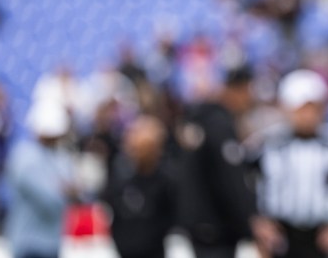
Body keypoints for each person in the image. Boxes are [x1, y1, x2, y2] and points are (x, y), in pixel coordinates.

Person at [248, 69, 328, 258]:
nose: (307, 114)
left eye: (313, 107)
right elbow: (239, 185)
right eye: (301, 107)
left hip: (325, 240)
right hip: (279, 238)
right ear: (287, 107)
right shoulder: (266, 144)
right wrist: (257, 222)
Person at [176, 65, 261, 258]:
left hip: (199, 222)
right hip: (216, 226)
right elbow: (231, 181)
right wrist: (250, 220)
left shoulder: (201, 120)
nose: (249, 99)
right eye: (247, 91)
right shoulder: (220, 125)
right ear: (236, 90)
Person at [4, 98, 77, 258]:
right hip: (27, 243)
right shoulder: (24, 157)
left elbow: (74, 190)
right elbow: (50, 199)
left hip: (52, 242)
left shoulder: (61, 157)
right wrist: (64, 191)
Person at [101, 115, 177, 258]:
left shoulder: (166, 177)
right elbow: (109, 202)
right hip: (126, 247)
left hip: (154, 248)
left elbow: (172, 213)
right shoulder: (119, 172)